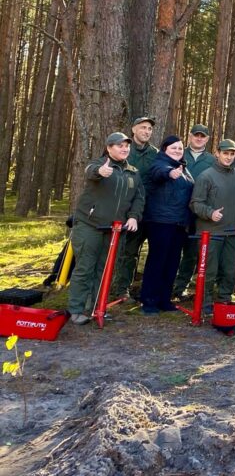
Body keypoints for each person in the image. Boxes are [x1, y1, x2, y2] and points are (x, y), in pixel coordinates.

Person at [67, 133, 145, 325]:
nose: (125, 149)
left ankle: (96, 308)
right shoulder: (99, 164)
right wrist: (100, 171)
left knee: (104, 271)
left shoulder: (133, 172)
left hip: (115, 230)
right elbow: (90, 171)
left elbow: (139, 198)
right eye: (120, 146)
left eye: (127, 146)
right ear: (109, 148)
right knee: (85, 268)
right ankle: (76, 309)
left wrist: (134, 217)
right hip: (90, 225)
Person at [189, 140, 235, 313]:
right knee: (209, 271)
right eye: (225, 153)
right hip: (210, 232)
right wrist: (210, 213)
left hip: (231, 232)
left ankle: (224, 300)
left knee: (230, 270)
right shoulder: (206, 176)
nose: (229, 157)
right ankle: (205, 302)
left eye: (231, 154)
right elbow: (195, 203)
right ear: (217, 153)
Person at [138, 135, 195, 314]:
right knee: (157, 261)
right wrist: (169, 173)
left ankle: (164, 300)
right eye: (173, 148)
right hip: (161, 222)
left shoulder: (183, 168)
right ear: (165, 150)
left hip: (179, 223)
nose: (177, 151)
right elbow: (159, 173)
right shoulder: (160, 163)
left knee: (172, 262)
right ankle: (149, 301)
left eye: (180, 148)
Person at [110, 115, 161, 301]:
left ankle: (150, 290)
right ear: (133, 130)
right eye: (143, 127)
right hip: (128, 211)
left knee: (155, 253)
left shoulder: (156, 154)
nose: (146, 131)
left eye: (149, 129)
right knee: (128, 252)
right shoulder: (125, 151)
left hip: (152, 211)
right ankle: (121, 289)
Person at [172, 124, 216, 300]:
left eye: (202, 136)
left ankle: (180, 287)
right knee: (172, 250)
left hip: (198, 212)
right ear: (190, 136)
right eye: (196, 135)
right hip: (177, 210)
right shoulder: (178, 154)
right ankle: (166, 285)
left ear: (207, 139)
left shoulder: (212, 160)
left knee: (191, 253)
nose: (199, 138)